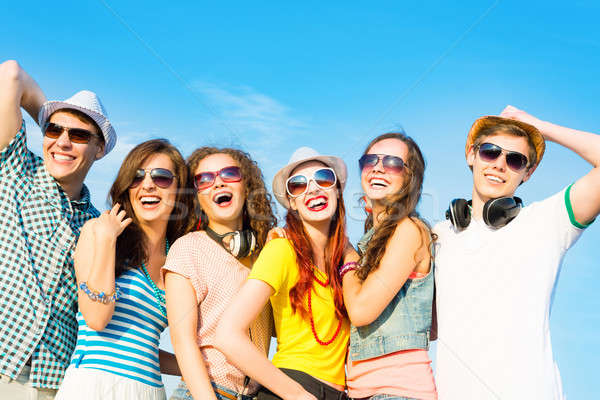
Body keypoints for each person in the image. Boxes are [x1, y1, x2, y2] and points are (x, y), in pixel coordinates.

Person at [433, 106, 600, 399]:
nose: (499, 164)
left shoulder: (549, 220)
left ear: (528, 172)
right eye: (489, 152)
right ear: (470, 154)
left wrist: (540, 126)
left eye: (515, 159)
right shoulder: (437, 236)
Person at [0, 60, 116, 399]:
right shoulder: (15, 169)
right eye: (55, 131)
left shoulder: (97, 225)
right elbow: (10, 73)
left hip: (49, 383)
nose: (63, 142)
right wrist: (48, 121)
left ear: (99, 150)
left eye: (78, 135)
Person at [55, 139, 191, 399]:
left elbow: (143, 347)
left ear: (179, 190)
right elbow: (96, 318)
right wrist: (108, 241)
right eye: (137, 177)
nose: (148, 184)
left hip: (149, 390)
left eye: (161, 177)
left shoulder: (178, 256)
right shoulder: (98, 231)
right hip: (93, 385)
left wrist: (207, 367)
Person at [216, 147, 351, 400]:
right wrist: (297, 394)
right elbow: (227, 335)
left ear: (337, 190)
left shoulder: (346, 266)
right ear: (292, 204)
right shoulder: (281, 250)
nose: (312, 189)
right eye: (298, 185)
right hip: (291, 388)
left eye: (323, 178)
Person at [163, 147, 276, 400]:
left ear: (246, 186)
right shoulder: (188, 248)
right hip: (205, 393)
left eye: (229, 173)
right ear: (197, 198)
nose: (218, 183)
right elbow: (183, 343)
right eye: (204, 179)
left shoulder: (264, 255)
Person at [342, 133, 437, 400]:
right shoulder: (372, 240)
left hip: (396, 393)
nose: (379, 167)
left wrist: (347, 257)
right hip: (367, 392)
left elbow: (361, 311)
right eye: (370, 160)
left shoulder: (408, 230)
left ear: (410, 178)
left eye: (392, 162)